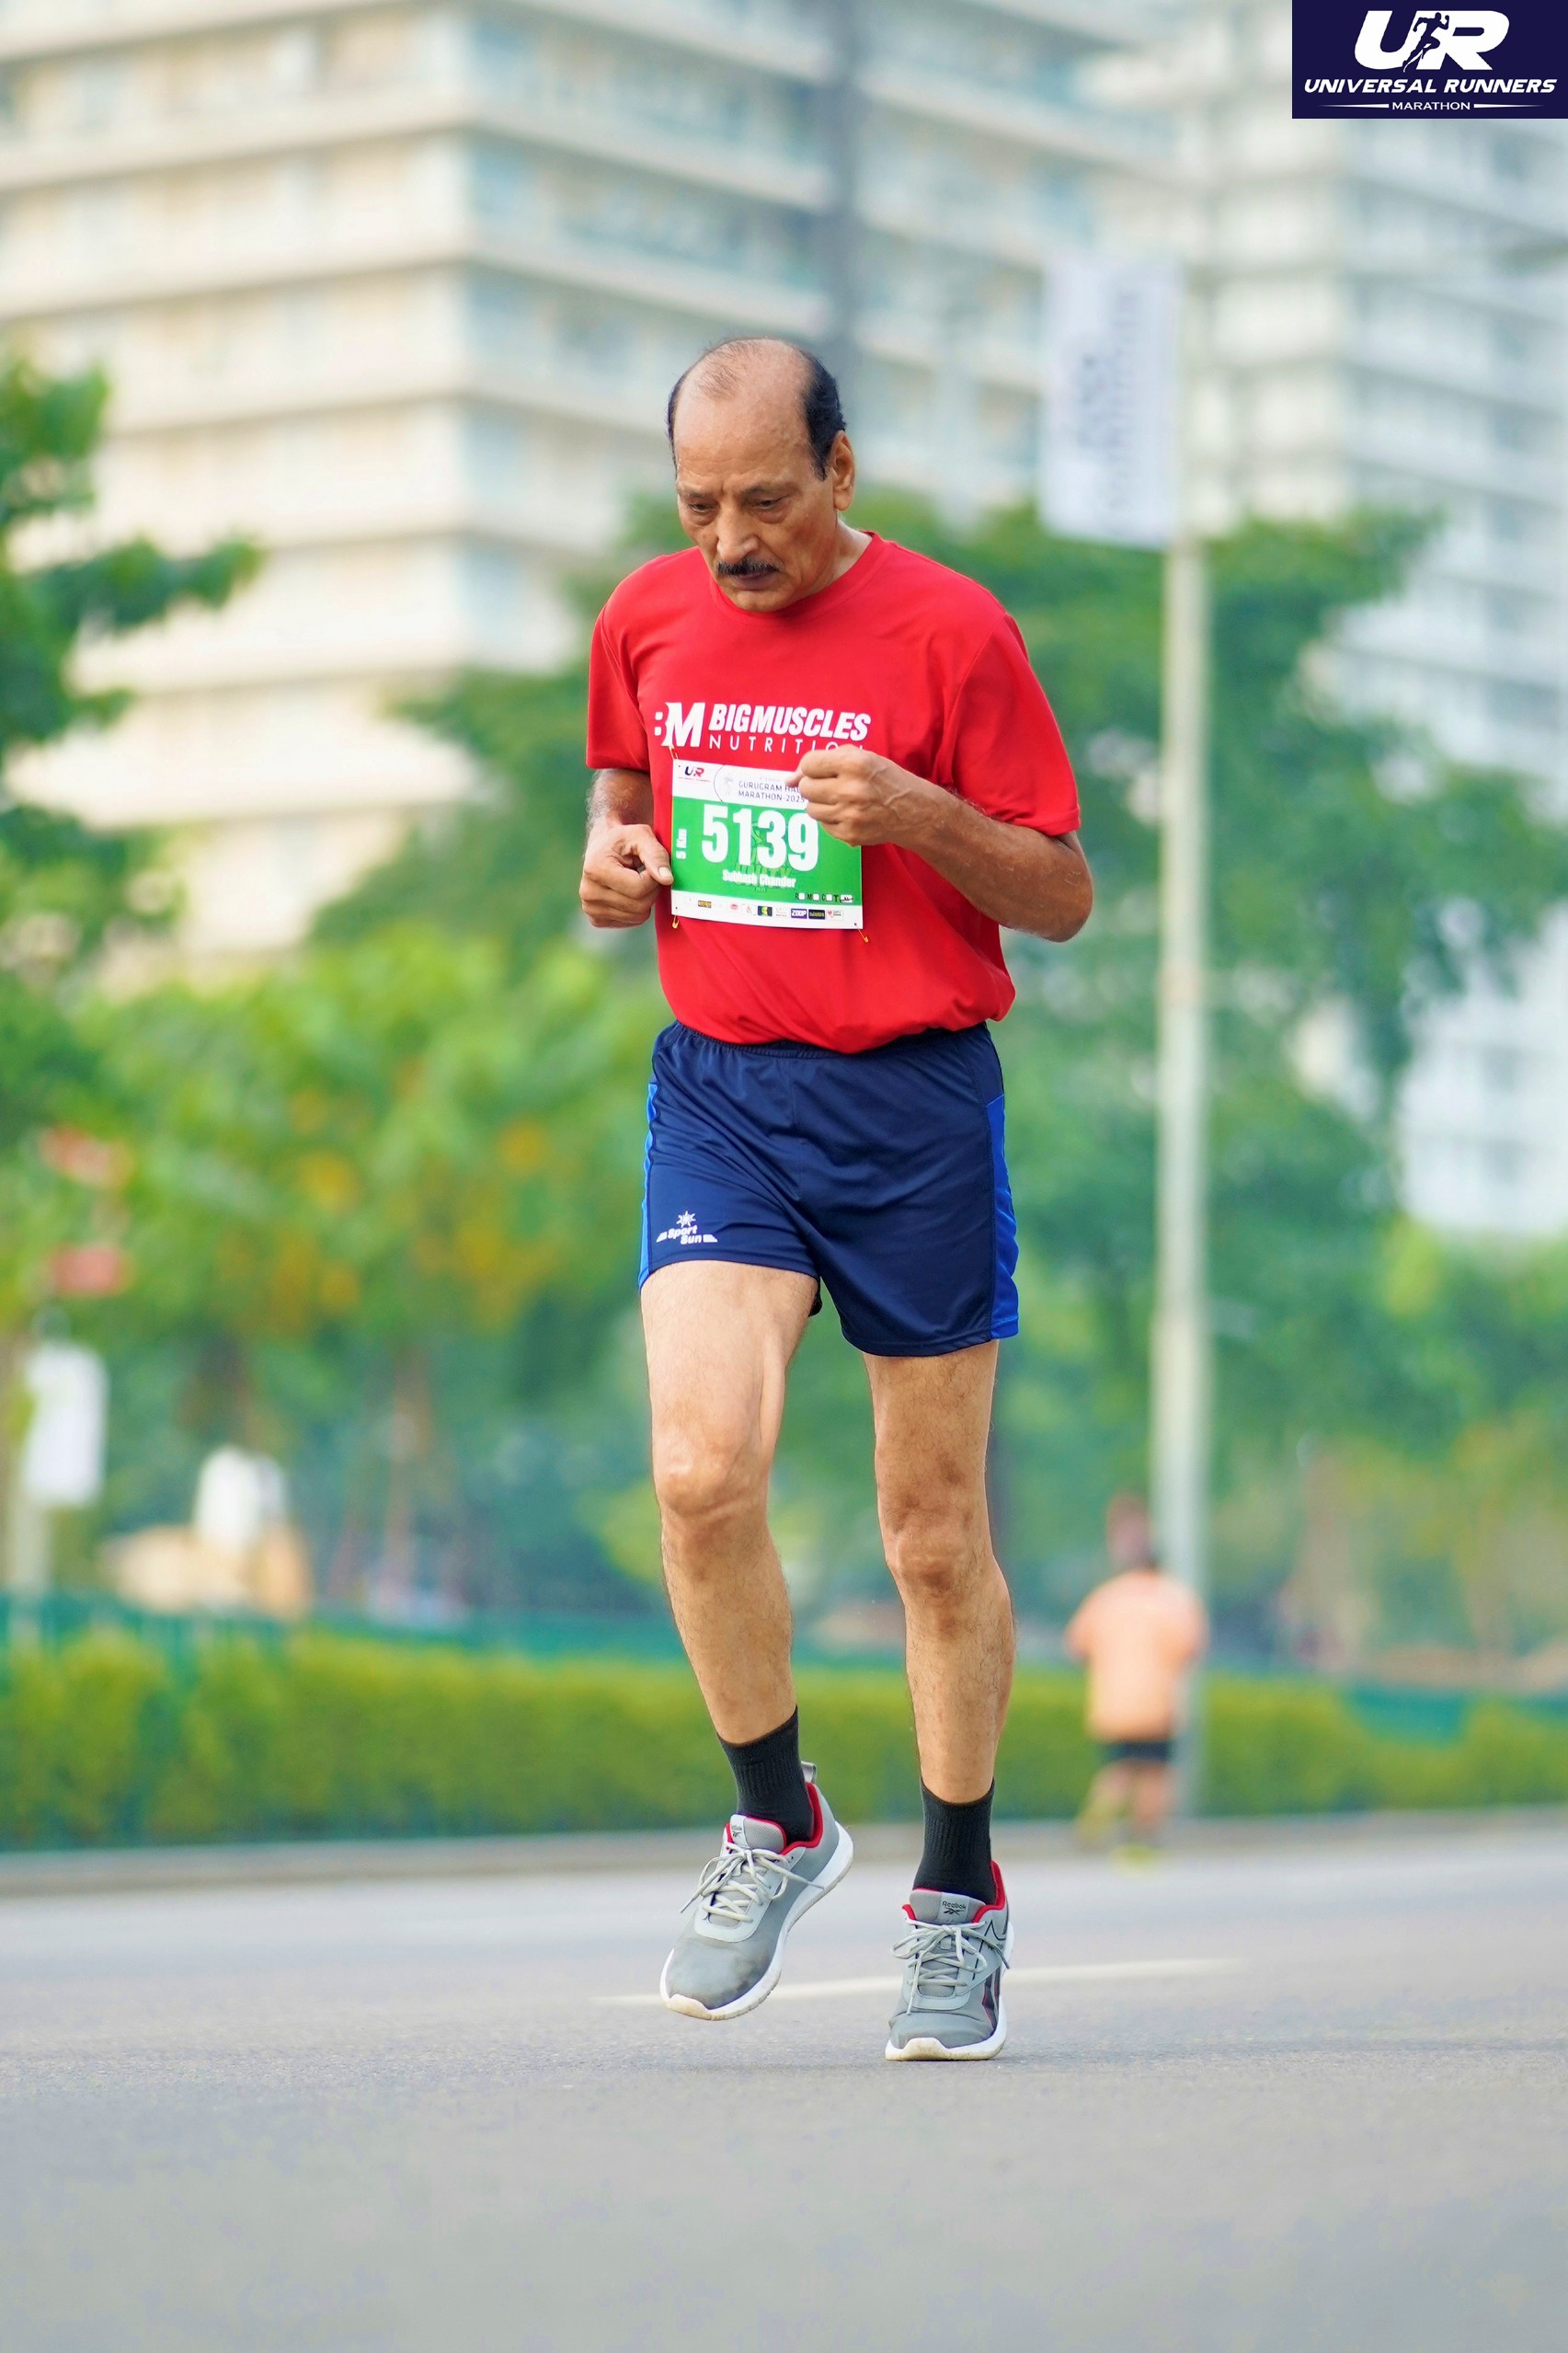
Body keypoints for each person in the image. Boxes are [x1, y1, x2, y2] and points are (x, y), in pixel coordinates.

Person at [579, 336, 1091, 2060]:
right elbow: (624, 780)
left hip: (913, 1107)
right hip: (725, 1093)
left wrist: (923, 815)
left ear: (844, 473)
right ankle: (775, 1814)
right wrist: (611, 851)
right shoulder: (643, 616)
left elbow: (1062, 891)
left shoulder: (956, 633)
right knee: (697, 1469)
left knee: (930, 1534)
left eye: (766, 502)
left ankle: (957, 1895)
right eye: (699, 505)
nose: (730, 541)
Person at [1065, 1494, 1209, 1854]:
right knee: (1154, 1773)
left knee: (1118, 1769)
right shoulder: (1173, 1599)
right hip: (1156, 1703)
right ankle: (1143, 1841)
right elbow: (1191, 1646)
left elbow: (1076, 1644)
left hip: (1113, 1703)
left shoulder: (1106, 1598)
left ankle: (1096, 1820)